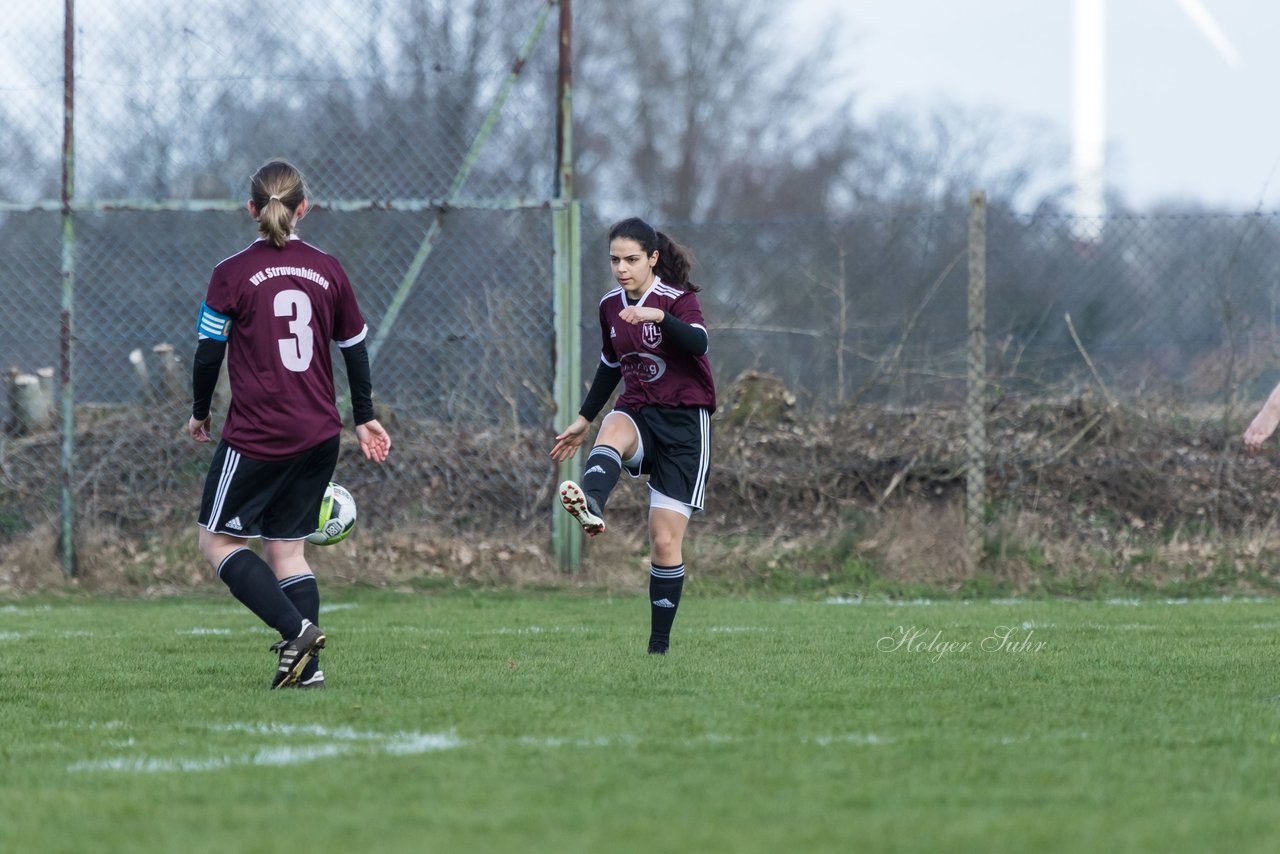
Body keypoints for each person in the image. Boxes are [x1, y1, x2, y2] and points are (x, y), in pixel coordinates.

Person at [187, 158, 391, 689]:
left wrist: (201, 410)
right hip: (321, 433)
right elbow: (355, 349)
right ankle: (309, 672)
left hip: (258, 435)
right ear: (305, 208)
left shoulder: (230, 272)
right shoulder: (329, 269)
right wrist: (364, 418)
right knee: (286, 548)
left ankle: (296, 631)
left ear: (251, 209)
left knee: (218, 543)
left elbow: (209, 353)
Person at [550, 217, 716, 655]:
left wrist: (658, 316)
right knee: (612, 427)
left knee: (663, 542)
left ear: (653, 259)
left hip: (684, 426)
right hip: (639, 408)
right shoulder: (610, 305)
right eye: (614, 260)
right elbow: (610, 365)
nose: (622, 268)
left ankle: (658, 648)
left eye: (631, 259)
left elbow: (699, 343)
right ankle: (592, 504)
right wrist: (584, 418)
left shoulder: (675, 300)